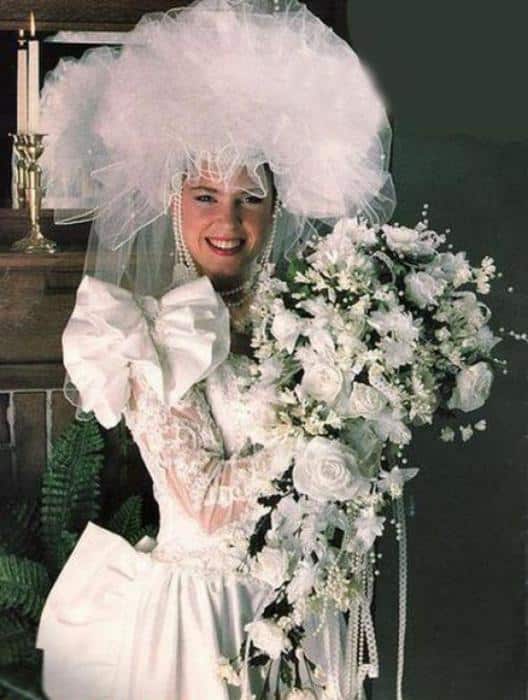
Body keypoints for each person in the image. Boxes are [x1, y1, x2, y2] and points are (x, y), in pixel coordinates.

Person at [35, 1, 396, 698]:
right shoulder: (146, 334)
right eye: (205, 196)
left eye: (249, 198)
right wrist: (321, 445)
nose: (227, 221)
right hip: (202, 621)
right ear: (174, 205)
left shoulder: (318, 321)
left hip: (303, 607)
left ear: (277, 209)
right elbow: (201, 502)